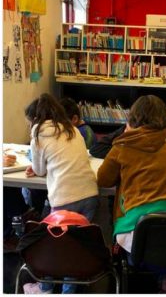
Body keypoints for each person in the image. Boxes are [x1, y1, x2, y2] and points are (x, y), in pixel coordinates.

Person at [97, 95, 166, 293]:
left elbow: (103, 180)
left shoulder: (123, 144)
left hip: (142, 230)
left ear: (132, 118)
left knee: (144, 238)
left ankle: (158, 277)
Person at [22, 93, 99, 294]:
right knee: (75, 247)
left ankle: (45, 287)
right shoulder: (73, 129)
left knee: (56, 247)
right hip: (90, 195)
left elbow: (39, 170)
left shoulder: (39, 134)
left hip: (65, 198)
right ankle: (69, 290)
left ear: (35, 118)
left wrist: (38, 166)